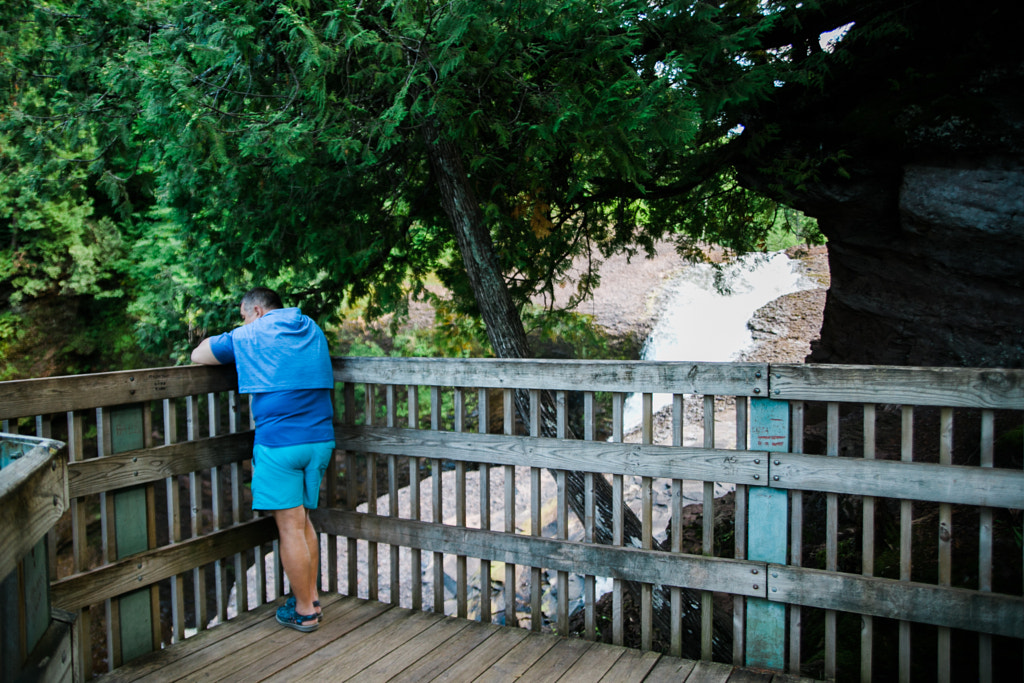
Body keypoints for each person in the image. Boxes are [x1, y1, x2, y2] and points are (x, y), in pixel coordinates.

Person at [191, 287, 335, 632]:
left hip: (280, 445)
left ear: (255, 310)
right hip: (320, 440)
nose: (242, 322)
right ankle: (311, 598)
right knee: (302, 522)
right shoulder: (310, 327)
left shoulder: (251, 332)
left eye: (242, 315)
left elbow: (200, 354)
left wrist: (233, 334)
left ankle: (304, 612)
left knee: (289, 527)